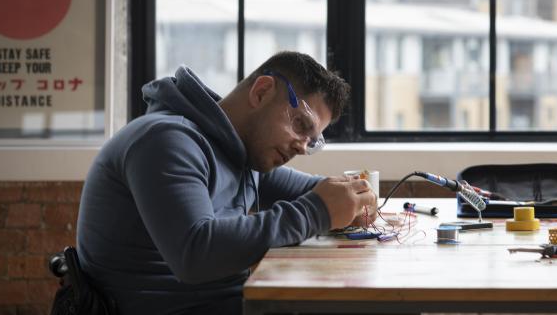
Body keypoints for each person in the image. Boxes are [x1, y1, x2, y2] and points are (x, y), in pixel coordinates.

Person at [76, 51, 378, 314]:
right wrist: (317, 212)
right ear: (261, 92)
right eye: (301, 125)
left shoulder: (242, 152)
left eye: (312, 141)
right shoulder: (166, 141)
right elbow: (195, 254)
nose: (302, 146)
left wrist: (351, 197)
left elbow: (313, 191)